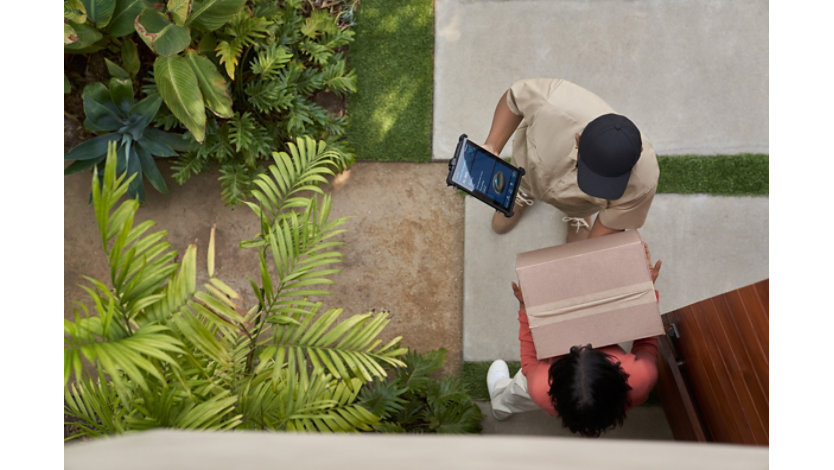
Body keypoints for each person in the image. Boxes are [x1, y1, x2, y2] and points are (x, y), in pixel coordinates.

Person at [486, 243, 662, 437]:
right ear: (619, 374)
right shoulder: (642, 376)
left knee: (519, 390)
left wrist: (525, 310)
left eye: (574, 353)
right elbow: (647, 339)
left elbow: (530, 362)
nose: (583, 343)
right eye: (591, 350)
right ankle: (501, 405)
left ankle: (500, 405)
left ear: (553, 381)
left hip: (543, 388)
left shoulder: (541, 387)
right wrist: (644, 289)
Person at [480, 78, 659, 242]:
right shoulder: (553, 103)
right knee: (525, 178)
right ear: (578, 140)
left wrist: (583, 258)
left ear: (639, 152)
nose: (591, 185)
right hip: (528, 170)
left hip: (581, 204)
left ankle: (578, 214)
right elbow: (514, 98)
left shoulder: (644, 182)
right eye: (590, 171)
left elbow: (606, 233)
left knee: (579, 220)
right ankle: (524, 191)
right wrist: (492, 146)